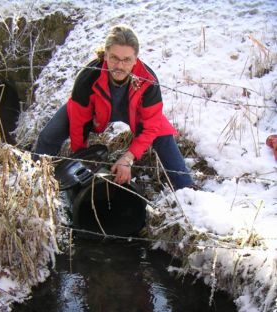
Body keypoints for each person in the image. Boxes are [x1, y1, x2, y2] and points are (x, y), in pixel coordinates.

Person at [35, 24, 194, 190]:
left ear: (136, 59)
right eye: (114, 58)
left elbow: (151, 127)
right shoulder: (88, 77)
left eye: (126, 60)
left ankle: (188, 190)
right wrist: (83, 161)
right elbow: (78, 123)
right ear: (105, 55)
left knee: (163, 134)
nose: (119, 66)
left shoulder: (147, 81)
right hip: (95, 113)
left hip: (133, 113)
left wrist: (127, 159)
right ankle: (35, 181)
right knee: (49, 134)